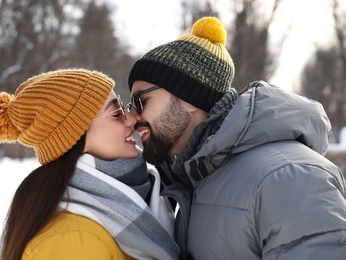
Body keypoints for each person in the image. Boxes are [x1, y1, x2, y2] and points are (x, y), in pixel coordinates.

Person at [127, 17, 346, 259]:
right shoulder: (197, 181)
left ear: (187, 98)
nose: (131, 117)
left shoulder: (289, 177)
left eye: (140, 101)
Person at [0, 68, 179, 260]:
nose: (132, 119)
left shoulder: (138, 199)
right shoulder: (71, 239)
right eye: (116, 113)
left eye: (122, 107)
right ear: (75, 138)